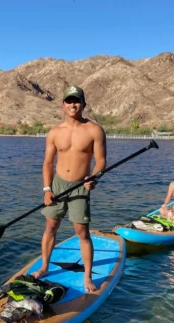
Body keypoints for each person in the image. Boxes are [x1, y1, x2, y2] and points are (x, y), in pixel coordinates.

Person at [33, 86, 107, 292]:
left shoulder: (94, 130)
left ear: (83, 104)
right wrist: (47, 189)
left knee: (82, 232)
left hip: (80, 187)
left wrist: (95, 177)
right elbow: (47, 163)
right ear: (63, 104)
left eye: (76, 101)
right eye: (68, 101)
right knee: (50, 228)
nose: (72, 105)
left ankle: (87, 277)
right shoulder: (55, 132)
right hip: (57, 185)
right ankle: (45, 267)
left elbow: (101, 161)